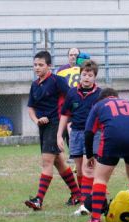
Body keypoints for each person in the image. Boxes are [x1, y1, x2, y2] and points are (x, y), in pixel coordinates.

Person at [84, 88, 129, 222]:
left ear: (102, 99)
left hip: (112, 138)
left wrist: (89, 155)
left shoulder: (98, 106)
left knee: (100, 178)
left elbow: (89, 132)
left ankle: (95, 220)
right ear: (116, 97)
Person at [24, 51, 80, 211]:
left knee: (46, 162)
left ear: (49, 66)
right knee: (59, 162)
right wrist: (37, 120)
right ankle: (77, 194)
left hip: (55, 125)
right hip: (43, 127)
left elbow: (72, 96)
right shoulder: (35, 85)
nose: (37, 68)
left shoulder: (57, 81)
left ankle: (38, 200)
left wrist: (70, 116)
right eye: (35, 65)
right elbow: (30, 108)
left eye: (41, 65)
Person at [57, 60, 102, 213]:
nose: (87, 78)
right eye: (84, 74)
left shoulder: (99, 94)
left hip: (93, 134)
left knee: (88, 166)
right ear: (80, 75)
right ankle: (86, 196)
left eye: (90, 75)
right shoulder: (72, 93)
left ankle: (87, 200)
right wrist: (59, 135)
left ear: (95, 77)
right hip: (75, 133)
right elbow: (64, 114)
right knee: (80, 170)